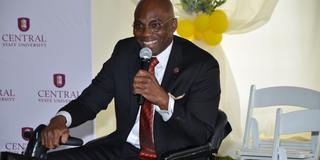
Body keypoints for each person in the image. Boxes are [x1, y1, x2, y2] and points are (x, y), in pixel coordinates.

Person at [41, 0, 221, 159]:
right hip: (124, 149)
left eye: (155, 25)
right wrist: (61, 119)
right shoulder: (125, 52)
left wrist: (164, 101)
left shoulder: (201, 65)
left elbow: (202, 134)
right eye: (139, 25)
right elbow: (91, 100)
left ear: (173, 25)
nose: (145, 34)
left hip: (171, 155)